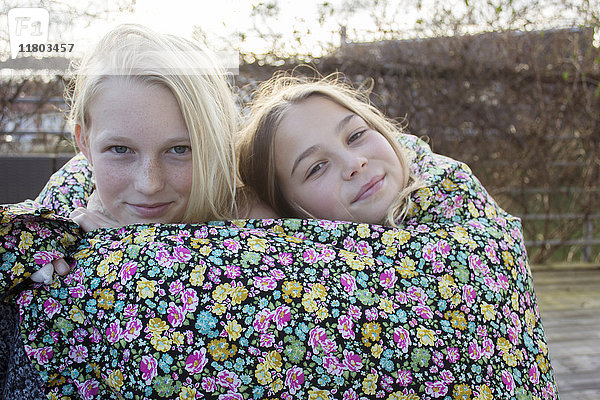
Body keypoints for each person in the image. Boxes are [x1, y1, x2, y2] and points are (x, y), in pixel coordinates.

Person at [1, 23, 246, 399]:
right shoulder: (41, 236)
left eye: (179, 149)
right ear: (83, 141)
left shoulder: (259, 220)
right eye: (120, 150)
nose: (149, 183)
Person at [237, 73, 423, 226]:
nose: (354, 163)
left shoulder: (448, 191)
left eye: (355, 136)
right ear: (284, 208)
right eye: (317, 167)